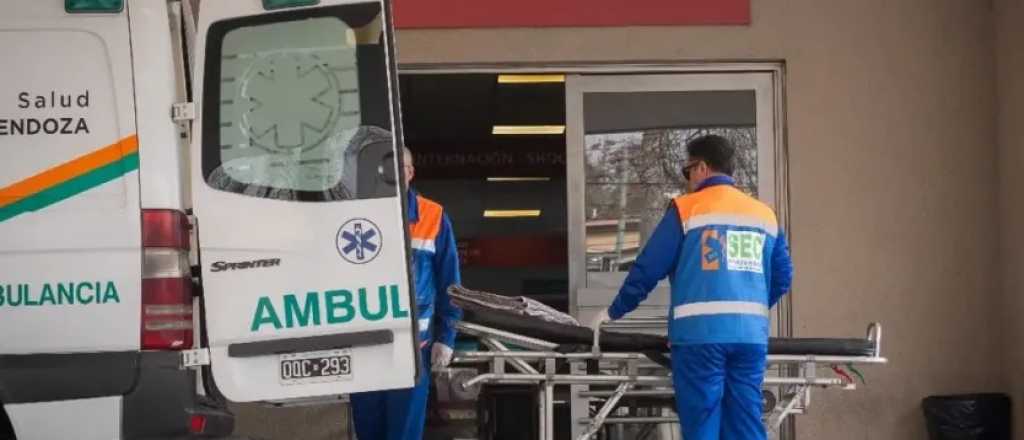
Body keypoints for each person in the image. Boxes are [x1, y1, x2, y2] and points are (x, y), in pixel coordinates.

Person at [589, 135, 793, 440]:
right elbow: (782, 277)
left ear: (701, 168)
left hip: (700, 339)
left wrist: (613, 311)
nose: (688, 180)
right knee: (746, 424)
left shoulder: (687, 210)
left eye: (687, 172)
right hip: (750, 339)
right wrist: (751, 311)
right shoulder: (763, 214)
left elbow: (648, 268)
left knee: (702, 424)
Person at [350, 146, 462, 440]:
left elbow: (450, 283)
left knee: (403, 435)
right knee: (367, 433)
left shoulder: (433, 216)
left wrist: (446, 336)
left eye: (397, 167)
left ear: (410, 172)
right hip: (365, 346)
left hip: (413, 348)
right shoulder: (355, 215)